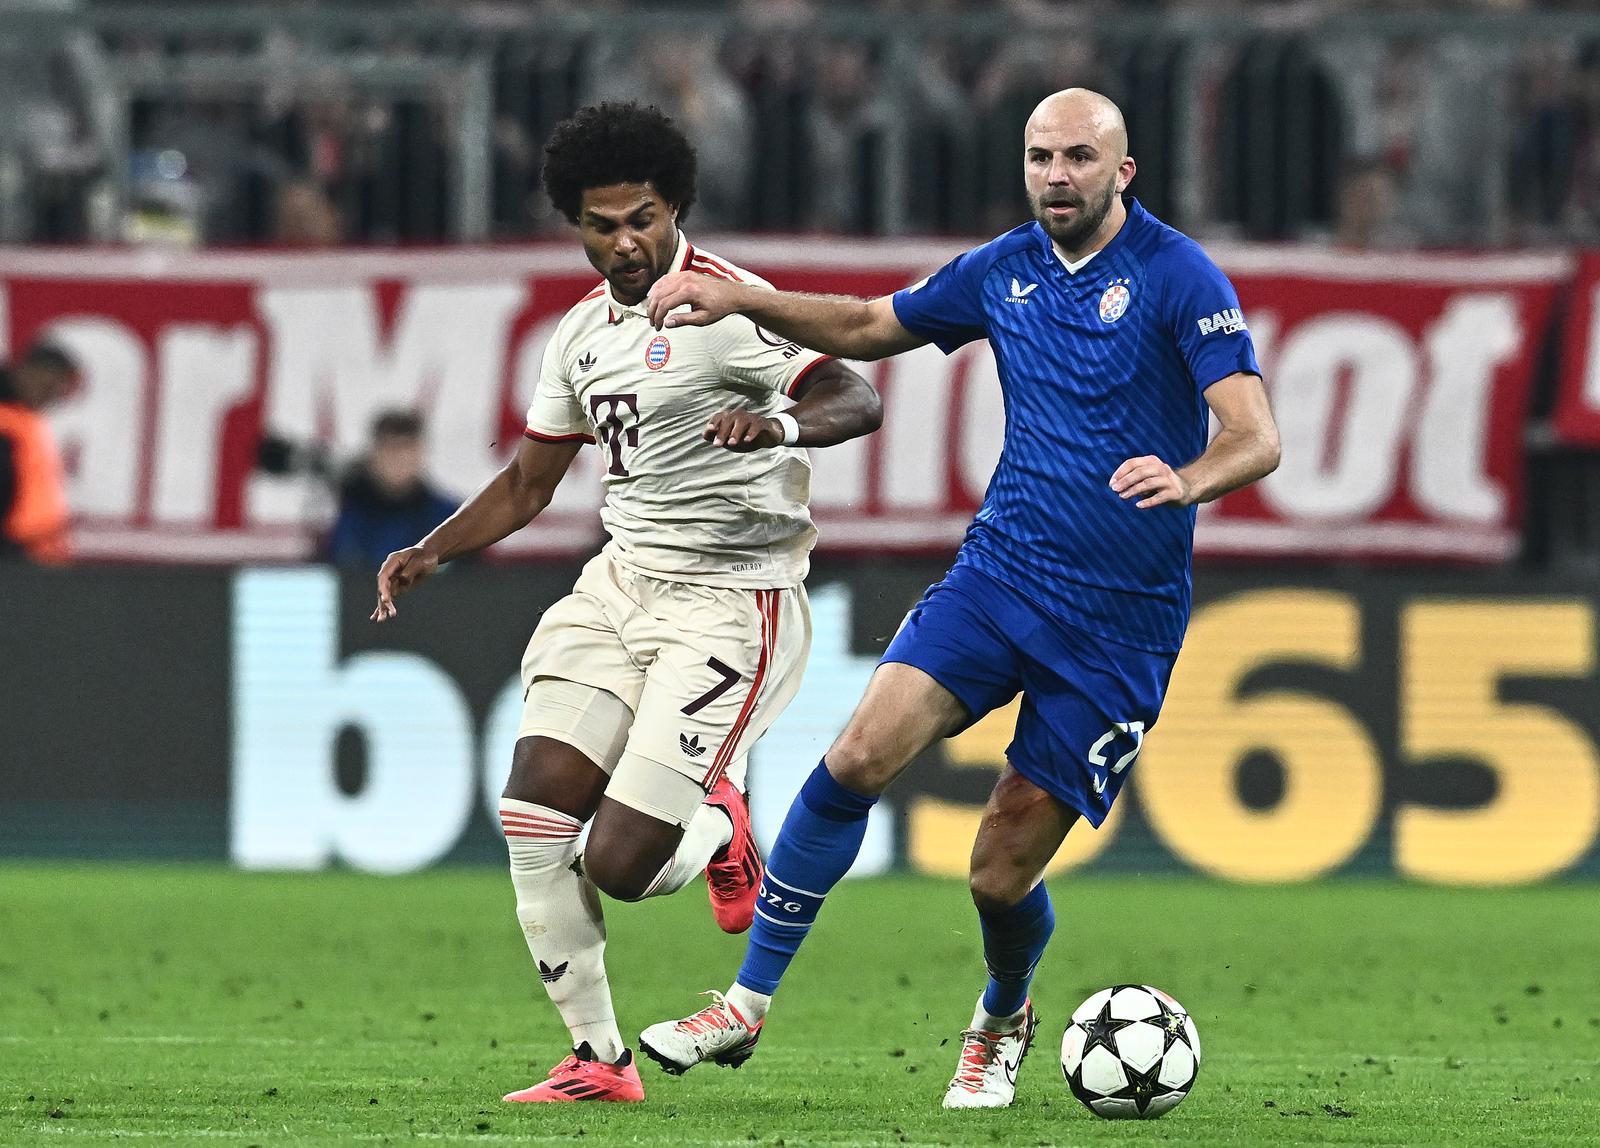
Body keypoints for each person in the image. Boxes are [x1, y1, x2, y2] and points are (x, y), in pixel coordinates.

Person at [638, 88, 1280, 1109]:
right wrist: (746, 300)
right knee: (854, 754)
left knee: (995, 875)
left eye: (1076, 157)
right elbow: (866, 323)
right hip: (1001, 573)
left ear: (1123, 172)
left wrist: (1188, 477)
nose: (1054, 176)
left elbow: (1256, 433)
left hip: (1119, 624)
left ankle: (1003, 1011)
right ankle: (745, 1003)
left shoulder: (1176, 276)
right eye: (1037, 157)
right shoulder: (1003, 269)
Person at [369, 102, 882, 1104]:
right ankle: (598, 1060)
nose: (624, 241)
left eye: (640, 217)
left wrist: (775, 421)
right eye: (601, 224)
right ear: (577, 225)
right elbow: (527, 484)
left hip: (732, 602)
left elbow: (853, 398)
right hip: (619, 586)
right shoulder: (580, 334)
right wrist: (429, 550)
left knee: (624, 860)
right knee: (530, 812)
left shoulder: (734, 303)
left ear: (676, 205)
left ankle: (720, 829)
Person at [326, 411, 457, 569]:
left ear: (420, 454)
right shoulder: (341, 514)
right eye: (391, 449)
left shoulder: (450, 519)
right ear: (373, 454)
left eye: (407, 449)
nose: (399, 459)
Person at [0, 341, 78, 563]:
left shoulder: (25, 419)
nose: (56, 395)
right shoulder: (8, 420)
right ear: (30, 372)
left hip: (33, 555)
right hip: (14, 556)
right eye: (52, 384)